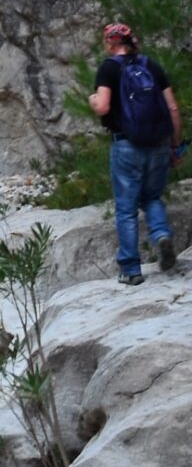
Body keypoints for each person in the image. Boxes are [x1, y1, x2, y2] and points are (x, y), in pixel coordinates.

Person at [89, 19, 183, 286]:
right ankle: (161, 234)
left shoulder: (108, 69)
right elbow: (173, 109)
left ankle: (131, 268)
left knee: (127, 208)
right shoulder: (150, 65)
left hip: (127, 144)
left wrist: (92, 99)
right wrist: (176, 146)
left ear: (110, 43)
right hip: (159, 143)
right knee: (152, 197)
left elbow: (103, 106)